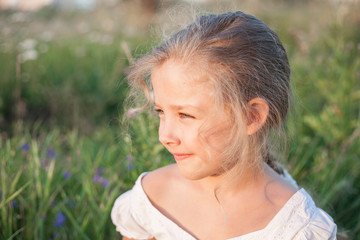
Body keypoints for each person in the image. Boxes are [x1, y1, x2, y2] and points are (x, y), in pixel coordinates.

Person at [111, 11, 337, 240]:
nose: (165, 136)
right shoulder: (154, 197)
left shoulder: (294, 227)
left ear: (251, 116)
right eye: (160, 111)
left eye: (186, 115)